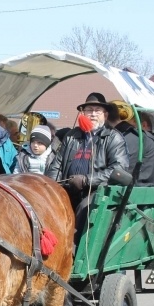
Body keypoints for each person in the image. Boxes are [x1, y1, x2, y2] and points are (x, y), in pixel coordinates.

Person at [45, 92, 128, 245]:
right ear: (82, 113)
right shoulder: (71, 136)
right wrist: (50, 188)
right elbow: (56, 165)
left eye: (98, 110)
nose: (93, 114)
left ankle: (76, 252)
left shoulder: (112, 137)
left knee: (84, 207)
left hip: (98, 193)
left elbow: (119, 169)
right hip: (68, 189)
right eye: (89, 110)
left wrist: (86, 180)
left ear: (105, 114)